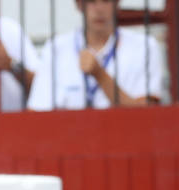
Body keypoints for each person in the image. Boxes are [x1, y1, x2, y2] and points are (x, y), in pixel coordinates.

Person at [27, 0, 167, 110]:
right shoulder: (55, 49)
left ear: (117, 3)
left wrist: (99, 74)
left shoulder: (144, 47)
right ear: (79, 4)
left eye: (106, 0)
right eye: (91, 1)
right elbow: (37, 111)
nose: (99, 9)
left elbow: (148, 114)